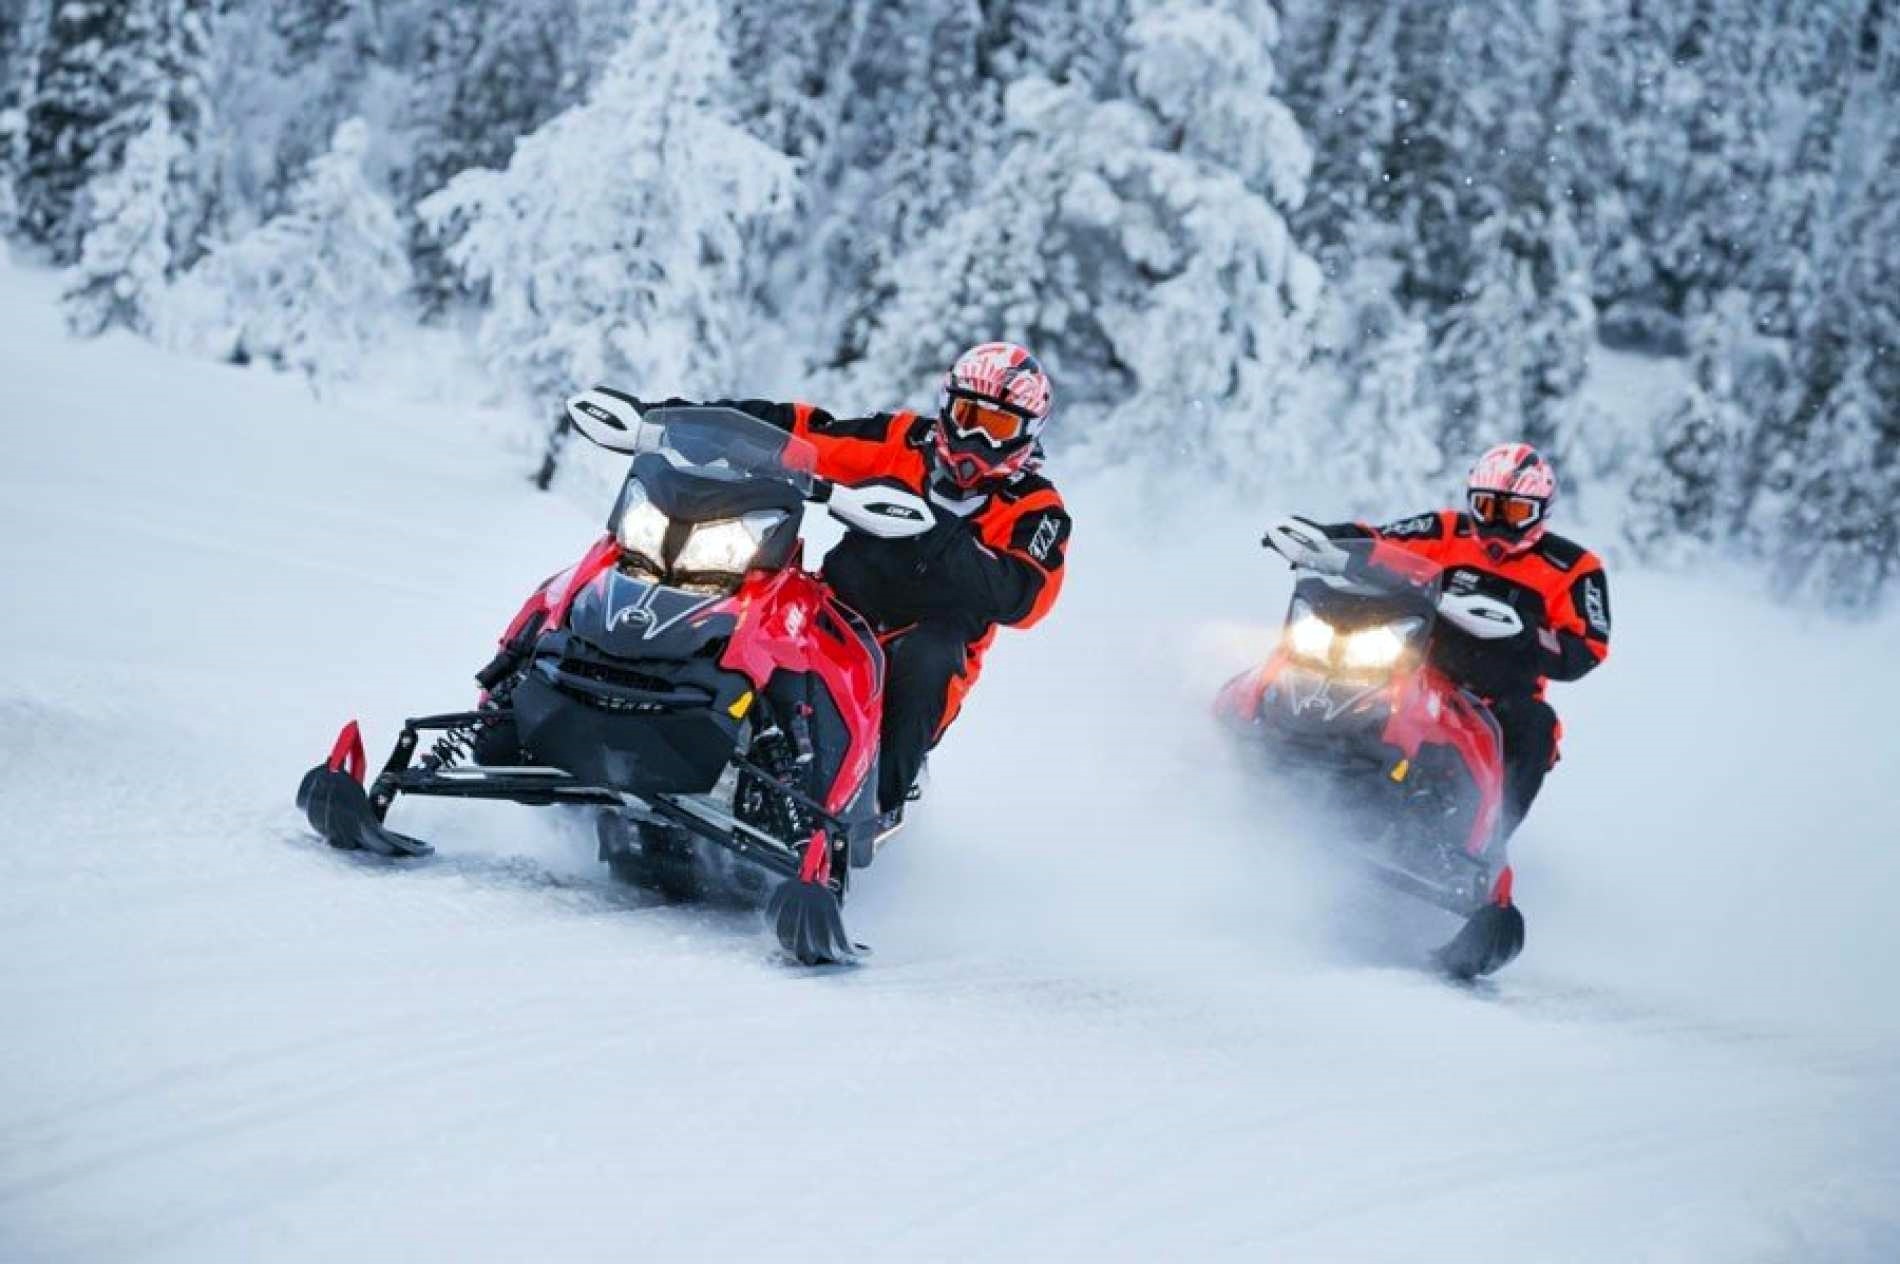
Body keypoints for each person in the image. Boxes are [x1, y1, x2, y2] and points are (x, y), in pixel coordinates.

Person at [601, 342, 1071, 821]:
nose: (976, 438)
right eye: (969, 414)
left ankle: (865, 815)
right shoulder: (902, 441)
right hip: (837, 609)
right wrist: (678, 421)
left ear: (1027, 433)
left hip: (918, 648)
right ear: (947, 406)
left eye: (997, 427)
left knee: (930, 658)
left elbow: (1025, 595)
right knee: (749, 592)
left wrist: (934, 530)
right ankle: (641, 706)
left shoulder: (1035, 509)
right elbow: (806, 431)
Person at [1288, 442, 1610, 836]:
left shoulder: (1574, 568)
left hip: (1499, 700)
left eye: (1514, 512)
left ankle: (1487, 855)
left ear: (1540, 510)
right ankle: (1261, 748)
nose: (1499, 523)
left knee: (1535, 730)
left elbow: (1587, 649)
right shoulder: (1446, 530)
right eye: (1488, 507)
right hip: (1421, 669)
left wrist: (1523, 631)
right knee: (1327, 661)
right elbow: (1380, 541)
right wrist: (1323, 540)